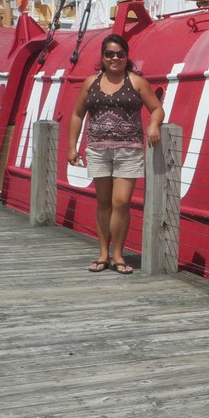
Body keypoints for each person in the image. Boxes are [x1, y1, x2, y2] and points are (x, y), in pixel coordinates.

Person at [67, 33, 164, 274]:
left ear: (126, 56)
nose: (115, 58)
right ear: (102, 57)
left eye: (120, 54)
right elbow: (77, 114)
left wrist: (154, 125)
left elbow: (156, 108)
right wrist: (72, 146)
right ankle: (103, 253)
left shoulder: (137, 82)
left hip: (128, 151)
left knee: (121, 202)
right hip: (98, 151)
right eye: (109, 54)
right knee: (103, 203)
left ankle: (118, 254)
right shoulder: (91, 82)